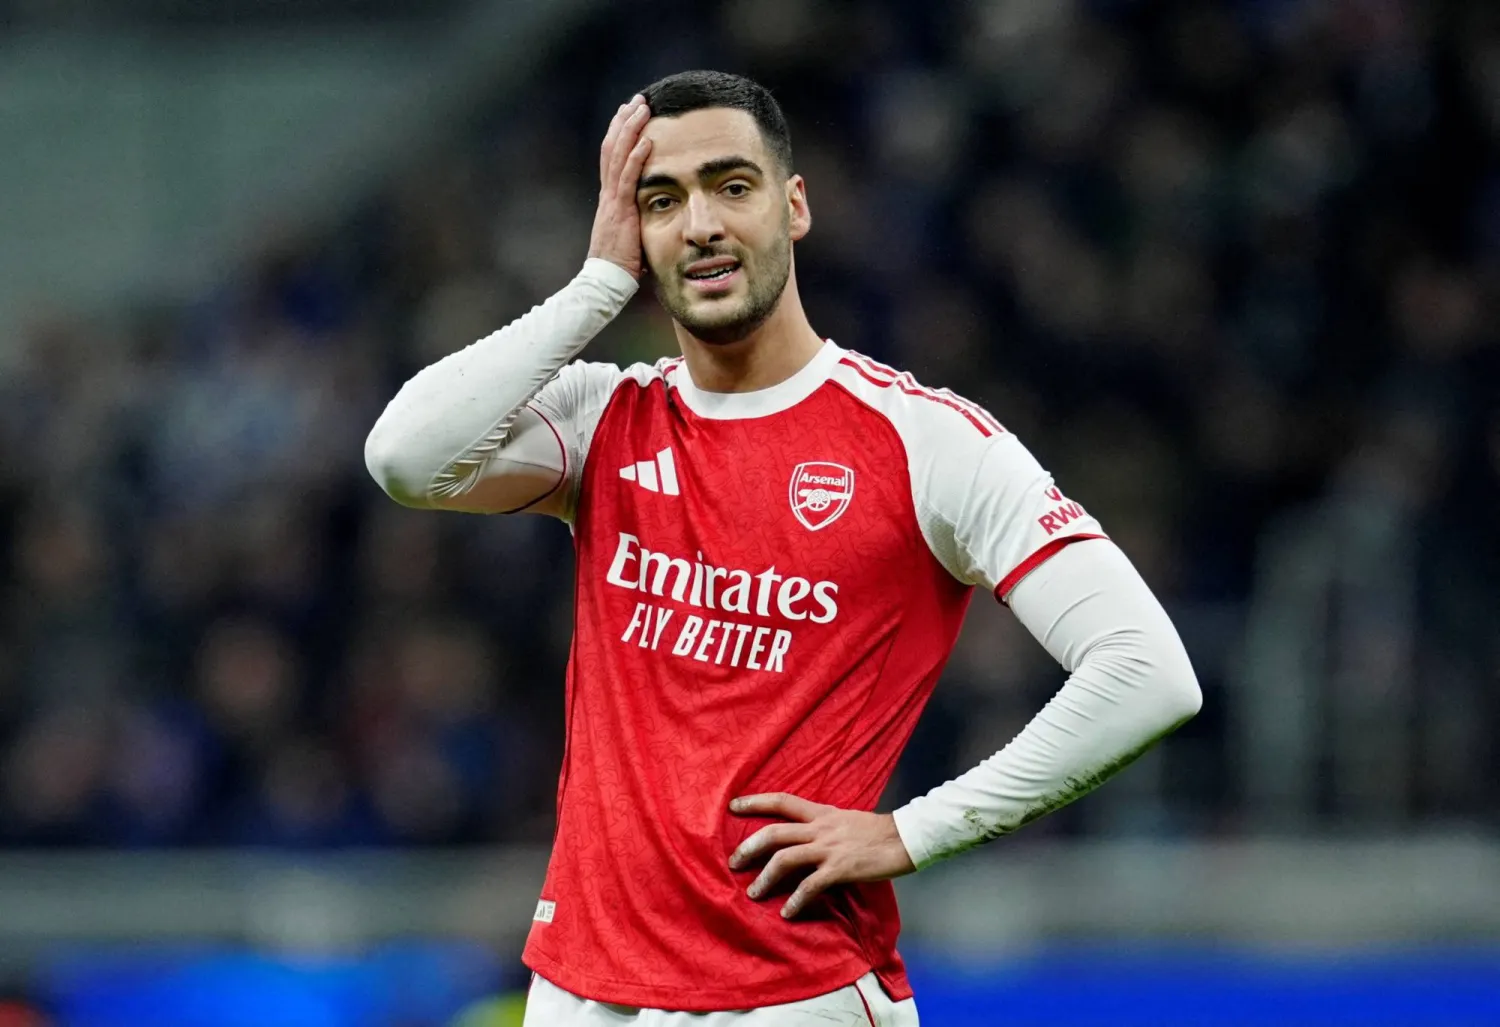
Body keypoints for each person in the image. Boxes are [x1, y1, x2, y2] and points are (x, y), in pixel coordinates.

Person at [365, 70, 1201, 1026]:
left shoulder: (925, 441)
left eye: (732, 185)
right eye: (662, 200)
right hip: (580, 989)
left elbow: (1148, 670)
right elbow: (404, 456)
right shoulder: (607, 417)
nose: (702, 225)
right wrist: (597, 283)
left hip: (789, 994)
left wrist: (911, 832)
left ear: (793, 204)